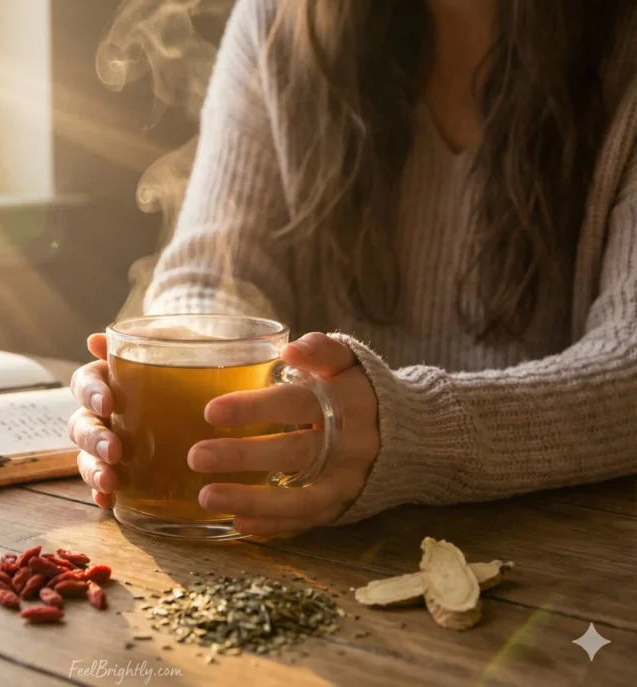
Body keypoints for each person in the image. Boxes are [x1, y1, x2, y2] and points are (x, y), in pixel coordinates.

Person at [67, 0, 637, 536]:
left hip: (567, 555)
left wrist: (410, 429)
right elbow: (208, 279)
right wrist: (176, 366)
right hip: (308, 553)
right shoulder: (279, 21)